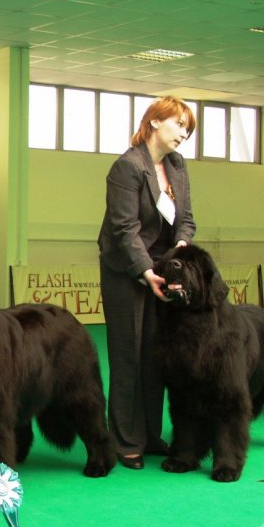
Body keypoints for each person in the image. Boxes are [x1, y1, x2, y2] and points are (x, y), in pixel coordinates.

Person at [98, 96, 196, 470]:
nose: (184, 133)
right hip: (125, 269)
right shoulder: (127, 166)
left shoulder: (177, 165)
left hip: (162, 267)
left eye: (187, 127)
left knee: (156, 355)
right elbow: (124, 229)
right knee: (128, 355)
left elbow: (186, 218)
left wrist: (181, 248)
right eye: (178, 124)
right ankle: (124, 441)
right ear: (155, 122)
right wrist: (145, 270)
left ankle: (150, 434)